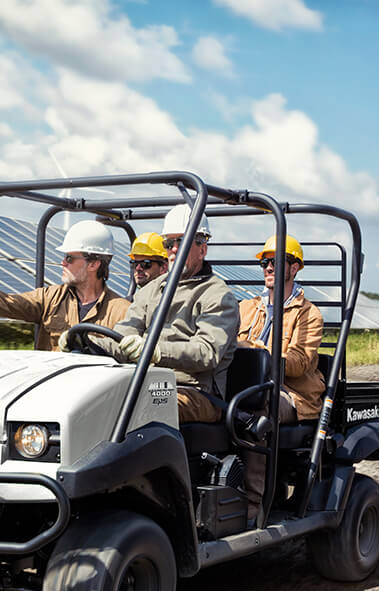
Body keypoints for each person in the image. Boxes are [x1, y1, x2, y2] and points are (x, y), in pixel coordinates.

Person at [70, 202, 238, 424]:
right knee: (83, 399)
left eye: (182, 242)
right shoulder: (152, 290)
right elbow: (123, 337)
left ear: (202, 249)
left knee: (141, 408)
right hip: (145, 382)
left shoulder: (218, 295)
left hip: (194, 392)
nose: (174, 249)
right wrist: (85, 343)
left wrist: (156, 352)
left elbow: (207, 352)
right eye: (169, 243)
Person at [0, 219, 131, 351]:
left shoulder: (122, 311)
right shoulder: (50, 298)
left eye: (70, 258)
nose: (63, 263)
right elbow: (5, 303)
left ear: (94, 264)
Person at [238, 234, 327, 508]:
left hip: (290, 394)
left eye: (276, 261)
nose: (268, 267)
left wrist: (258, 352)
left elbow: (299, 363)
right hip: (246, 385)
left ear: (294, 267)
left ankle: (253, 506)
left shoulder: (309, 314)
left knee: (258, 407)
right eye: (265, 262)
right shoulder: (246, 308)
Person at [127, 232, 168, 300]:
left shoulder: (168, 300)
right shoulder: (130, 302)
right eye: (134, 263)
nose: (138, 268)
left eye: (145, 264)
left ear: (163, 268)